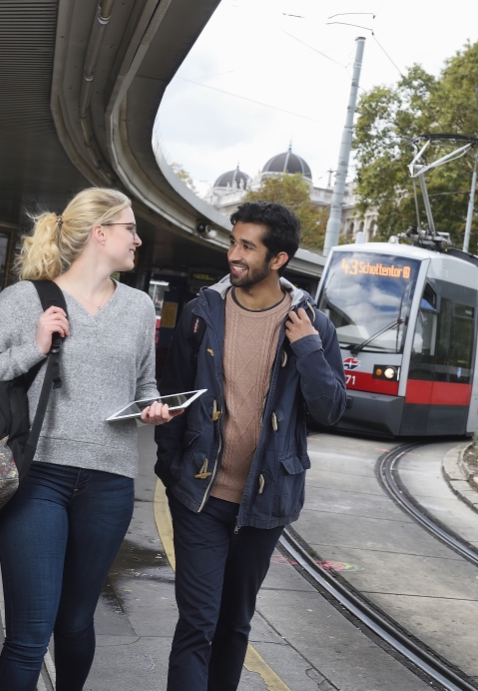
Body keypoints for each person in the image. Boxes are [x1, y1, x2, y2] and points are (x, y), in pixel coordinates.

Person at [0, 188, 180, 691]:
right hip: (39, 479)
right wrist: (31, 349)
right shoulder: (26, 299)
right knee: (30, 634)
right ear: (100, 233)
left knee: (75, 624)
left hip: (111, 484)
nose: (138, 239)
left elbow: (144, 386)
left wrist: (153, 408)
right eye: (130, 229)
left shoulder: (140, 308)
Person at [154, 201, 346, 690]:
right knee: (197, 621)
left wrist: (306, 348)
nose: (232, 254)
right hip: (199, 496)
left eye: (246, 246)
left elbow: (330, 409)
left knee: (234, 623)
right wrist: (170, 467)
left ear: (278, 259)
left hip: (265, 503)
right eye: (233, 241)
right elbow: (172, 394)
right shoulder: (203, 313)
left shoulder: (314, 326)